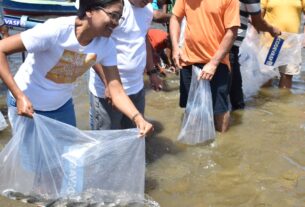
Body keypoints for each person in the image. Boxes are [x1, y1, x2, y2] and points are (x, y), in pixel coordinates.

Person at [0, 0, 153, 136]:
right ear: (90, 10)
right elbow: (1, 49)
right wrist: (19, 96)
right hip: (28, 106)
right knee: (33, 164)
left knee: (70, 163)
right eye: (113, 15)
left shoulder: (106, 45)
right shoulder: (56, 30)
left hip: (61, 106)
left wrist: (138, 119)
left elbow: (116, 89)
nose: (116, 22)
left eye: (119, 17)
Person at [89, 0, 162, 130]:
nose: (150, 1)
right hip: (107, 91)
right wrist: (108, 84)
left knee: (135, 135)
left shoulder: (148, 10)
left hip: (137, 88)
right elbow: (92, 46)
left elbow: (143, 39)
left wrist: (152, 72)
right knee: (107, 143)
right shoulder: (112, 8)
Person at [170, 0, 240, 132]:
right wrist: (175, 47)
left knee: (219, 109)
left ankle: (221, 146)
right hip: (188, 60)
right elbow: (175, 18)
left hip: (217, 62)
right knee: (191, 106)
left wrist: (213, 63)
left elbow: (232, 32)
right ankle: (193, 141)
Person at [229, 0, 281, 110]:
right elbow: (258, 22)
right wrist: (271, 29)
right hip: (229, 47)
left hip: (205, 44)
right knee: (236, 102)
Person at [261, 0, 305, 89]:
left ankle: (283, 102)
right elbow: (258, 16)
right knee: (266, 76)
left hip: (292, 44)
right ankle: (264, 101)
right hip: (270, 43)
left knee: (287, 76)